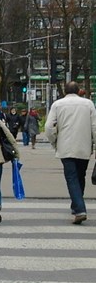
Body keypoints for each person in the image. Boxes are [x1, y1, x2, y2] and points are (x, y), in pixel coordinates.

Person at [44, 81, 96, 225]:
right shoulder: (88, 104)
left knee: (71, 177)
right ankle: (76, 205)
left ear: (65, 91)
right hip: (84, 146)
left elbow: (48, 127)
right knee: (80, 176)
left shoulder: (57, 104)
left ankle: (79, 209)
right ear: (78, 90)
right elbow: (95, 127)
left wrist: (54, 141)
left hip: (65, 147)